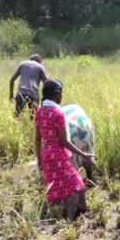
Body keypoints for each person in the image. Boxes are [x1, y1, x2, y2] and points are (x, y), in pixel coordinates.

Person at [34, 80, 94, 220]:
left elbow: (37, 139)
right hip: (58, 155)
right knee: (78, 185)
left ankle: (74, 213)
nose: (62, 96)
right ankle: (70, 220)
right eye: (61, 92)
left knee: (56, 188)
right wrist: (83, 153)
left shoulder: (39, 112)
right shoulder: (58, 114)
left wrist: (39, 158)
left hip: (46, 155)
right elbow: (65, 141)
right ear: (57, 94)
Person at [62, 104, 96, 184]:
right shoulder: (76, 108)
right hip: (86, 127)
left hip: (71, 132)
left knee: (73, 160)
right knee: (89, 153)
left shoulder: (60, 112)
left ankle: (75, 184)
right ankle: (90, 178)